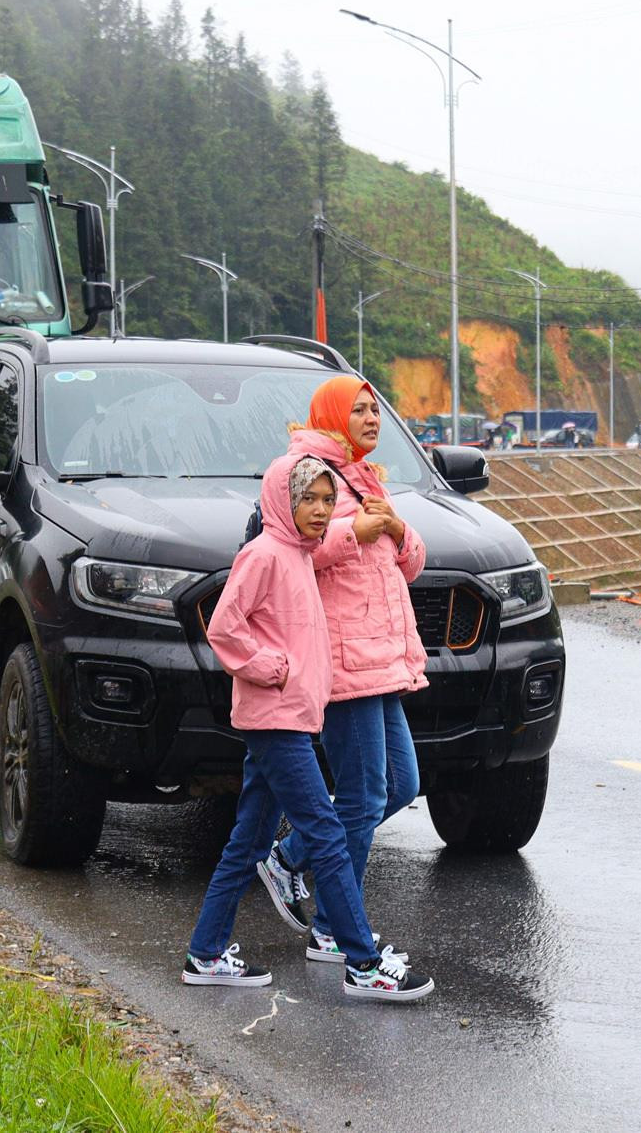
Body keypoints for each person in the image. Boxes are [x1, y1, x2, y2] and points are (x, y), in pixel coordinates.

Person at [183, 452, 433, 1003]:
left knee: (247, 839)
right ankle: (361, 962)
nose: (320, 510)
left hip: (292, 717)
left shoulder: (300, 555)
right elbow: (224, 627)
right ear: (282, 501)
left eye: (326, 499)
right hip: (275, 720)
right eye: (308, 499)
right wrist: (271, 668)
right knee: (325, 833)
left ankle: (205, 953)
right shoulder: (265, 554)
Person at [260, 377, 428, 964]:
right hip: (343, 659)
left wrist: (400, 531)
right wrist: (352, 532)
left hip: (383, 659)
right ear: (332, 414)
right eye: (358, 410)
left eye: (376, 408)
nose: (372, 418)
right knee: (360, 797)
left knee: (402, 784)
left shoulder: (363, 476)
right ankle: (332, 927)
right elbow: (292, 544)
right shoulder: (306, 471)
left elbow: (408, 566)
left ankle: (289, 857)